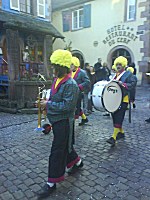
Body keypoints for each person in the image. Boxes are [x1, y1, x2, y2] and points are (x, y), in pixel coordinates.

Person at [37, 49, 83, 199]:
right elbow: (55, 98)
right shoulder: (57, 80)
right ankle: (77, 163)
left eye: (54, 66)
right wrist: (45, 102)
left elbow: (67, 107)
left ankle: (51, 182)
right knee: (66, 146)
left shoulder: (71, 84)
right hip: (56, 121)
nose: (52, 69)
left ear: (60, 67)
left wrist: (48, 104)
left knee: (57, 151)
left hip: (64, 123)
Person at [106, 56, 137, 146]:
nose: (118, 66)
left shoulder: (128, 74)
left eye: (120, 64)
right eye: (117, 64)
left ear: (123, 65)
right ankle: (121, 133)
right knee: (115, 116)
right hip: (115, 99)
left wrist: (123, 84)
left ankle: (113, 137)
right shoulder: (115, 75)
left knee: (119, 117)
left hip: (123, 100)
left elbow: (133, 83)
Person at [71, 57, 90, 126]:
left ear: (75, 65)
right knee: (77, 107)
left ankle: (74, 123)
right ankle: (84, 118)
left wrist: (79, 86)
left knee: (76, 107)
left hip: (78, 93)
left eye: (72, 64)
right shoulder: (69, 72)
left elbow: (87, 82)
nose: (70, 66)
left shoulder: (82, 72)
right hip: (71, 93)